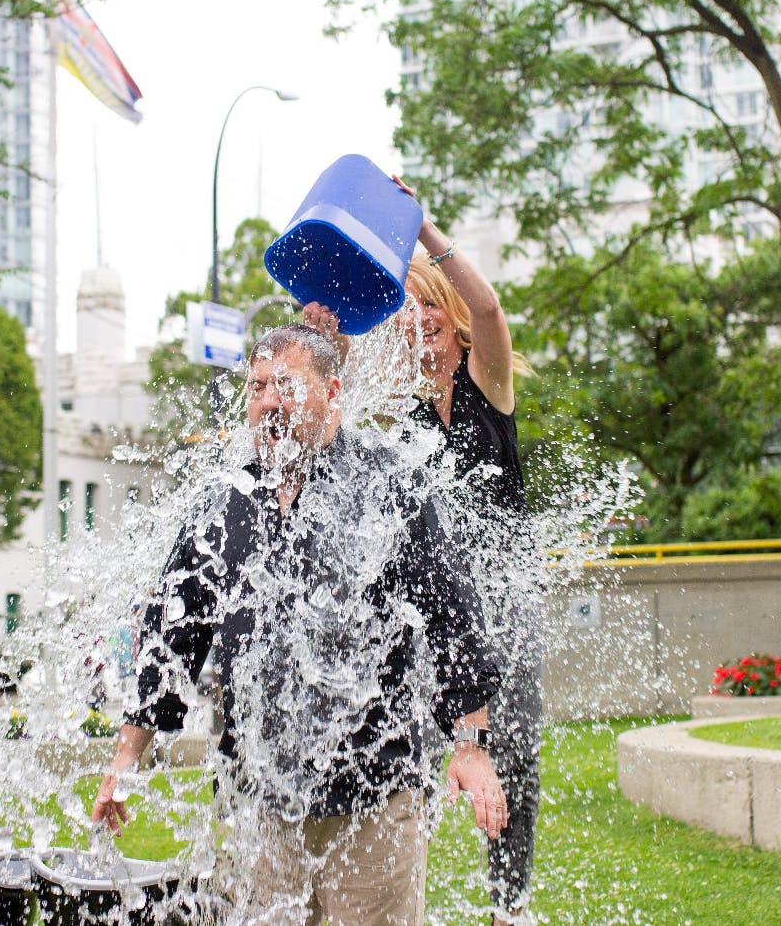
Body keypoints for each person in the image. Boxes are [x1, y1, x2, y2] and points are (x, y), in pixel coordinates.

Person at [91, 324, 506, 926]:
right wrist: (125, 760)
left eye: (286, 385)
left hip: (375, 796)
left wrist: (470, 748)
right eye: (257, 387)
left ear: (332, 390)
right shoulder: (225, 502)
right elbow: (171, 639)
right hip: (259, 802)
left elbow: (452, 618)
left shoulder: (387, 485)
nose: (268, 401)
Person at [302, 177, 542, 926]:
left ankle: (511, 907)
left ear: (454, 316)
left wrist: (426, 231)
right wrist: (323, 335)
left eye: (431, 305)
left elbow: (494, 309)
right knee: (409, 739)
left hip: (507, 604)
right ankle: (401, 890)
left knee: (514, 750)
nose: (421, 321)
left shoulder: (486, 385)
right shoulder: (403, 421)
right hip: (441, 610)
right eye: (410, 311)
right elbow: (335, 426)